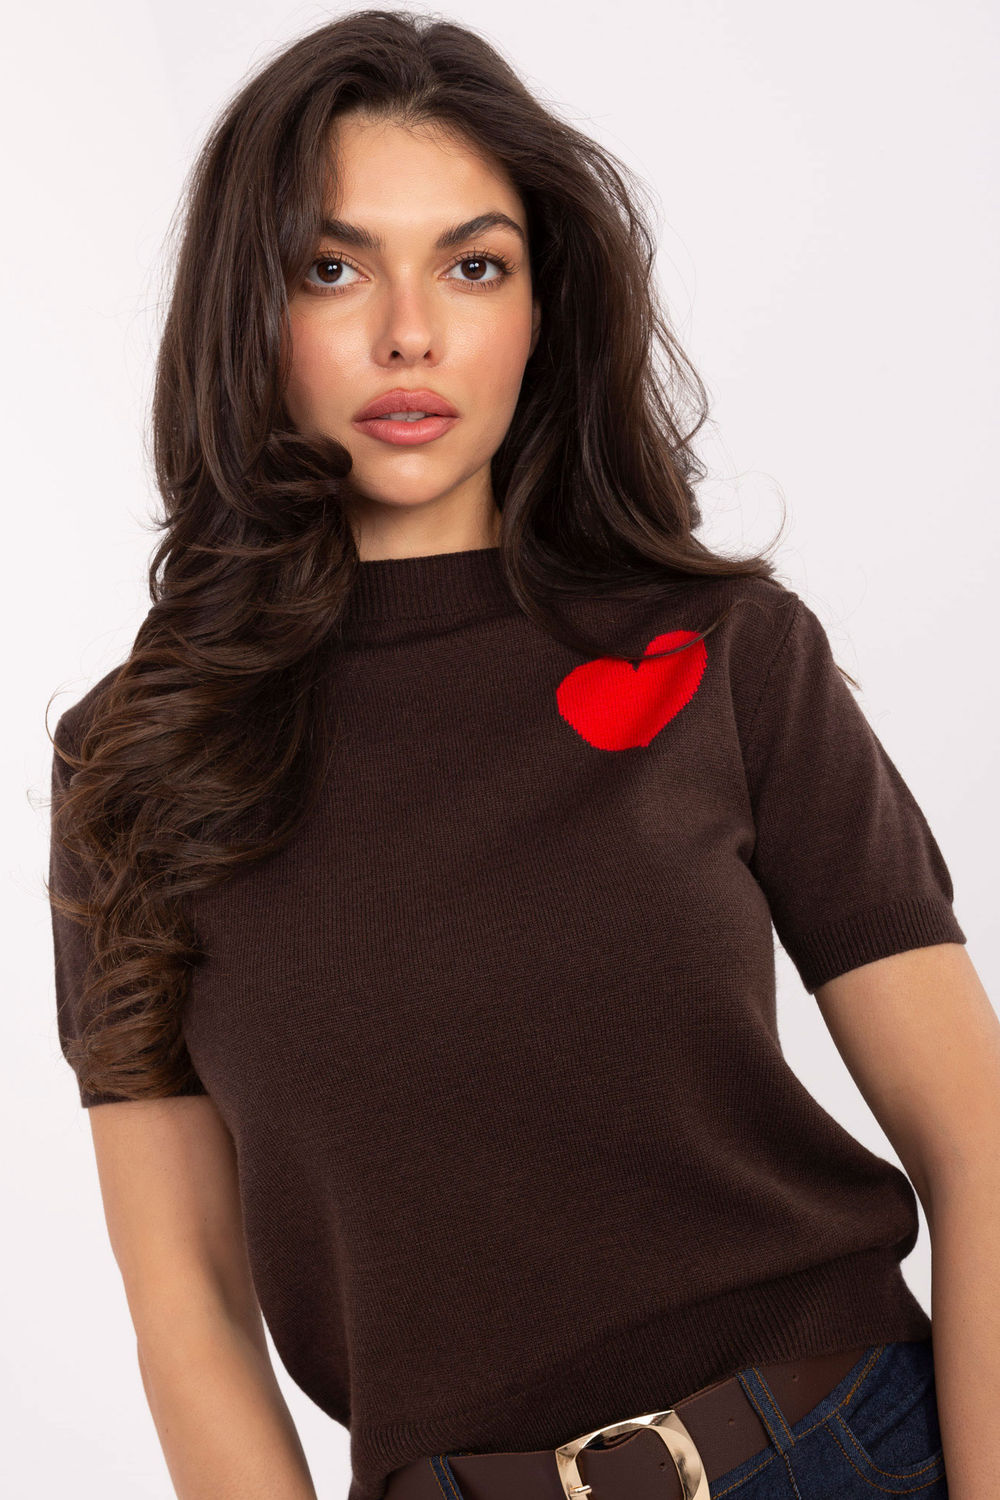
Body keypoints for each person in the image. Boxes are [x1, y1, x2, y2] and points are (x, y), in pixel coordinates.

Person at [45, 10, 998, 1500]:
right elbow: (190, 1307)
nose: (409, 331)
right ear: (250, 309)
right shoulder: (138, 763)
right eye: (332, 267)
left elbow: (978, 1145)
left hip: (838, 1455)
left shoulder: (728, 654)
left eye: (473, 265)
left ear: (544, 310)